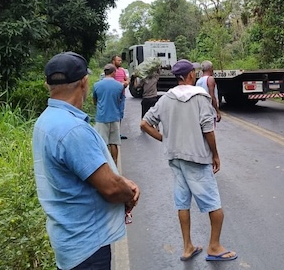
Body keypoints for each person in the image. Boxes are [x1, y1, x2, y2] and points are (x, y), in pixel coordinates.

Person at [33, 51, 140, 270]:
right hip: (88, 247)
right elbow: (111, 188)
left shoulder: (46, 120)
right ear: (84, 82)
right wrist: (128, 194)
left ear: (48, 84)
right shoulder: (73, 130)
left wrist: (119, 182)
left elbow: (88, 172)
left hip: (69, 240)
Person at [140, 59, 237, 262]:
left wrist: (164, 139)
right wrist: (215, 155)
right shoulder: (200, 97)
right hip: (197, 159)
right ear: (191, 75)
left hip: (175, 158)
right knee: (213, 204)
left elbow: (145, 123)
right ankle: (214, 246)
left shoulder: (166, 98)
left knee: (182, 204)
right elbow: (207, 129)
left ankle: (187, 247)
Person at [93, 64, 125, 165]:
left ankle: (105, 164)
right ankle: (115, 163)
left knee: (102, 143)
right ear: (113, 72)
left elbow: (95, 100)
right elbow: (119, 100)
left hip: (101, 117)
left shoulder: (97, 85)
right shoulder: (119, 86)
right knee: (114, 143)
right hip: (115, 117)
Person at [111, 55, 129, 139]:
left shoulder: (122, 70)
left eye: (121, 61)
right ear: (113, 61)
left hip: (122, 95)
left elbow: (127, 79)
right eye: (118, 60)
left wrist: (126, 82)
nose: (120, 62)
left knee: (120, 113)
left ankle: (118, 133)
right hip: (113, 95)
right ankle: (112, 132)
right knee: (113, 113)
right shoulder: (111, 70)